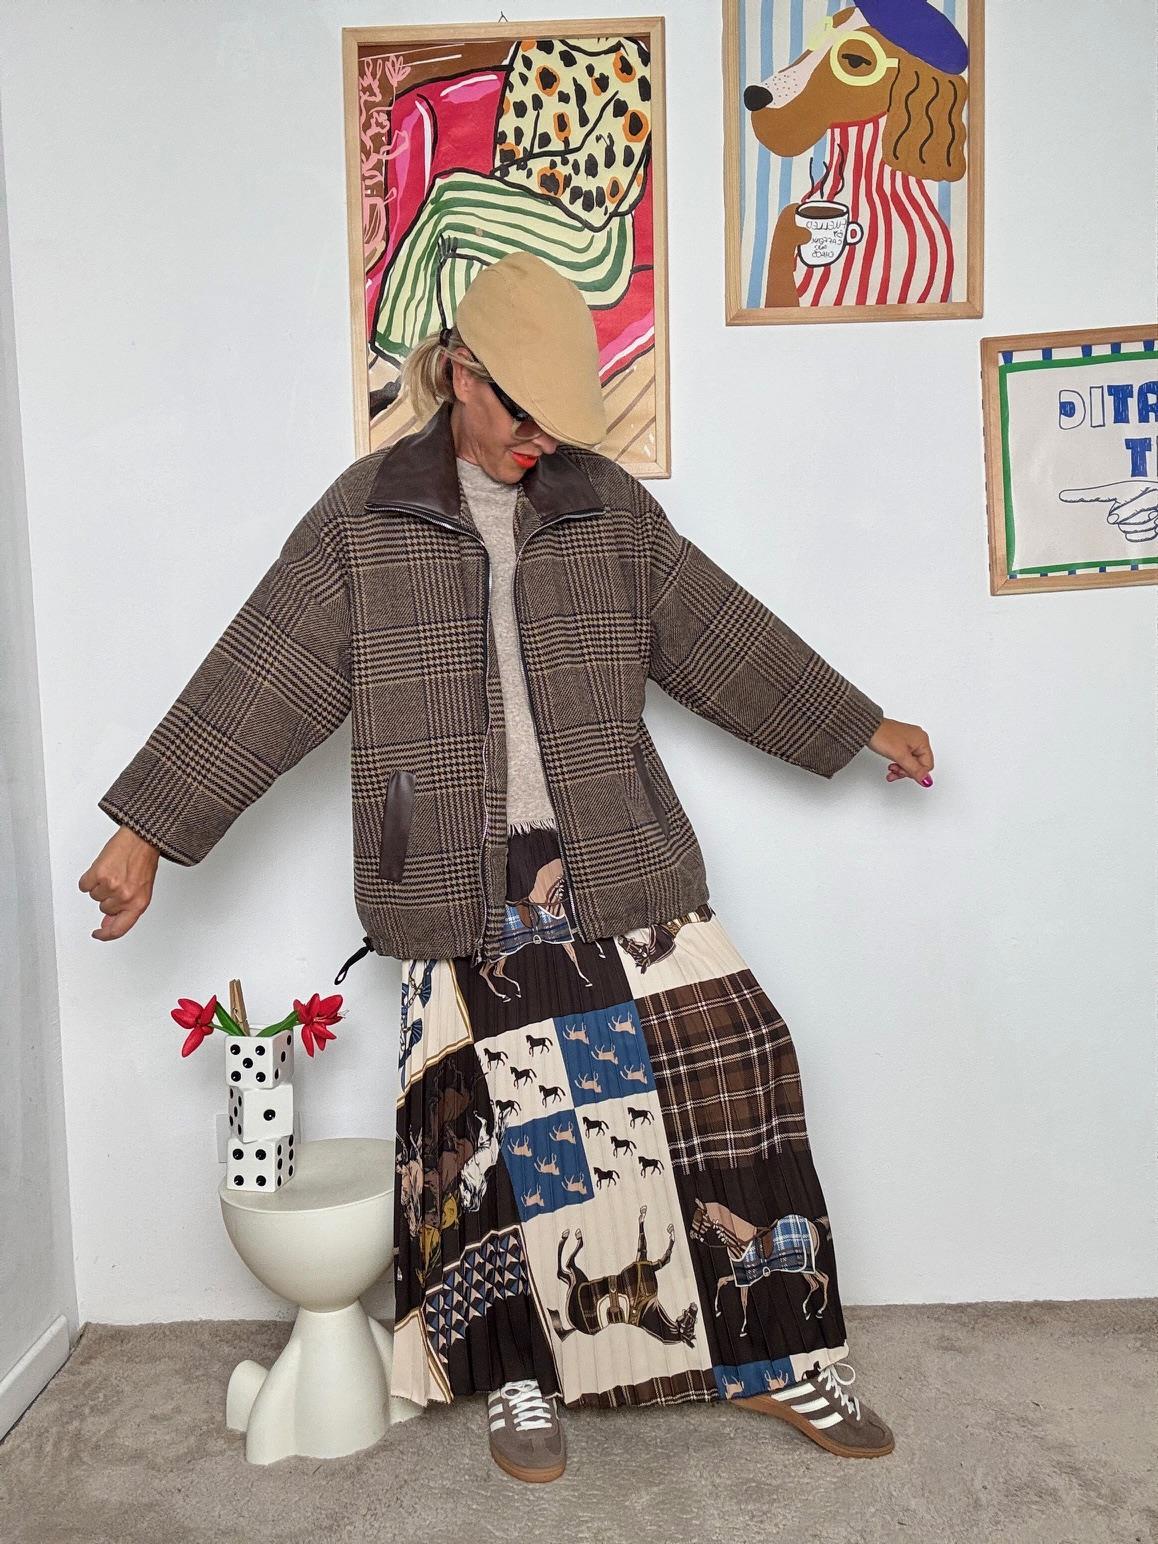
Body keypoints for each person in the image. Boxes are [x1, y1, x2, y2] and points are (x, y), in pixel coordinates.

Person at [81, 251, 934, 1484]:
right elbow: (262, 673)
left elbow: (718, 632)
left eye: (559, 417)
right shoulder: (367, 516)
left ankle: (779, 1354)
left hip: (614, 847)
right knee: (490, 1129)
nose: (542, 439)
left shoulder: (604, 506)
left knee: (741, 1063)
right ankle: (514, 1373)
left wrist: (859, 725)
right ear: (459, 373)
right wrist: (148, 827)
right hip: (451, 872)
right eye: (522, 410)